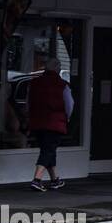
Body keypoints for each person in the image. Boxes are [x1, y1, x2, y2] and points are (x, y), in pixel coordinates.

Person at [27, 58, 72, 192]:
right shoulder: (63, 85)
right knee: (48, 150)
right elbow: (69, 104)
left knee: (48, 149)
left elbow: (28, 102)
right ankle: (37, 179)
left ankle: (55, 180)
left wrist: (29, 116)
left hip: (37, 122)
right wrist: (66, 118)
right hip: (54, 123)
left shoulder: (34, 83)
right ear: (57, 69)